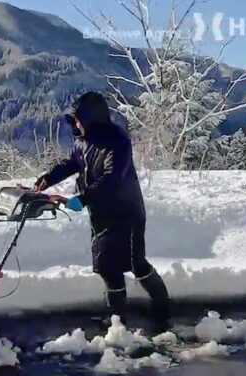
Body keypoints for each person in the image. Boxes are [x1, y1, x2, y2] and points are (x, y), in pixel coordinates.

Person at [35, 91, 171, 332]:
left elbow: (112, 178)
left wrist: (83, 198)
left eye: (78, 119)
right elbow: (71, 163)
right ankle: (117, 320)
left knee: (136, 264)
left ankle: (162, 310)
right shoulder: (82, 141)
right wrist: (48, 178)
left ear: (91, 118)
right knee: (107, 266)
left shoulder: (117, 142)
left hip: (126, 214)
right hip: (101, 213)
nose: (75, 124)